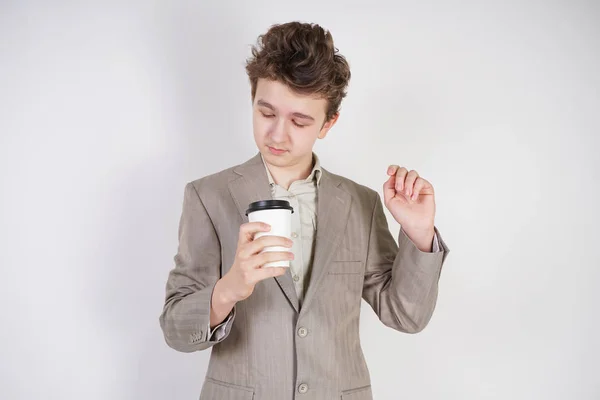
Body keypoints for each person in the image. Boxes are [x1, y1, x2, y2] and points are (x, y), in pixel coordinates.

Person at [159, 21, 450, 400]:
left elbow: (406, 315)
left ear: (329, 124)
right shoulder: (206, 196)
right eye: (266, 113)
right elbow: (176, 330)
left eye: (299, 121)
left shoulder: (360, 203)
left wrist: (419, 234)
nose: (278, 134)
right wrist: (229, 289)